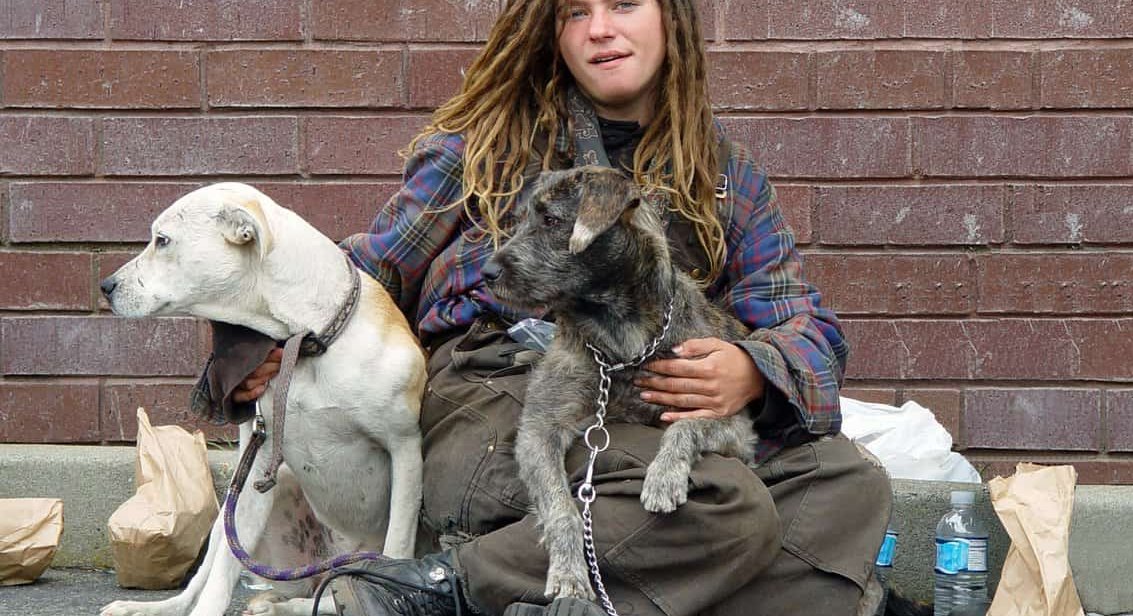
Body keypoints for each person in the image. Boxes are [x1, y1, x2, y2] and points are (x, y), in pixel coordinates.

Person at [234, 1, 892, 614]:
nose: (600, 28)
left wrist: (752, 368)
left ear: (673, 20)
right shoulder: (487, 140)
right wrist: (261, 343)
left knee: (847, 487)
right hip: (504, 401)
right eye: (577, 11)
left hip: (645, 407)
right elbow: (370, 265)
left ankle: (549, 601)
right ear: (552, 30)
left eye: (624, 4)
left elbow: (806, 327)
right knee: (729, 508)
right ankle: (442, 588)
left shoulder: (723, 175)